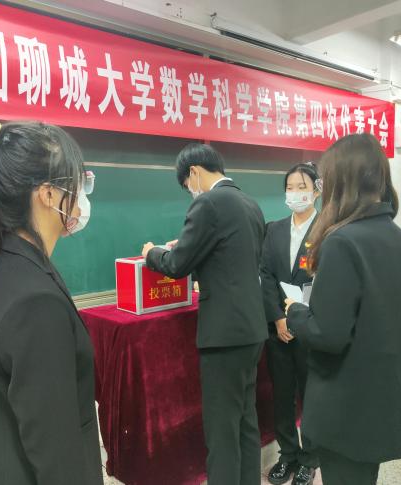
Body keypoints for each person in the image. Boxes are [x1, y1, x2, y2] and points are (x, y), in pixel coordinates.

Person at [0, 120, 103, 485]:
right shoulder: (36, 302)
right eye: (78, 183)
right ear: (47, 194)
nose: (82, 195)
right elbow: (56, 451)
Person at [284, 133, 401, 485]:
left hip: (345, 405)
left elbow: (327, 334)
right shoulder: (400, 239)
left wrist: (295, 312)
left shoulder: (343, 242)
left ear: (340, 181)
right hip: (382, 397)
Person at [141, 143, 268, 485]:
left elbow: (176, 265)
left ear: (194, 172)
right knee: (245, 422)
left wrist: (153, 253)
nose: (190, 193)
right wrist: (186, 247)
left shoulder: (208, 203)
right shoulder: (249, 203)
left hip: (224, 335)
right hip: (252, 328)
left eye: (187, 186)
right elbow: (230, 258)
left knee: (221, 431)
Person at [260, 163, 321, 485]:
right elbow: (266, 274)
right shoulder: (274, 229)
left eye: (302, 187)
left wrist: (301, 318)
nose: (295, 193)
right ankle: (288, 454)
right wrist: (278, 317)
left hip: (312, 328)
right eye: (290, 187)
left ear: (317, 191)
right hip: (279, 330)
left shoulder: (328, 230)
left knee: (311, 396)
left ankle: (310, 458)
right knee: (282, 395)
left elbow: (326, 280)